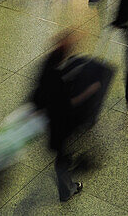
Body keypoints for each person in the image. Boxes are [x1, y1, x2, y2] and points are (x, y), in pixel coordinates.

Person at [31, 31, 97, 203]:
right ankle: (67, 190)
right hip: (58, 123)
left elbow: (39, 92)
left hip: (50, 119)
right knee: (62, 157)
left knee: (62, 154)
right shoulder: (56, 77)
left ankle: (67, 182)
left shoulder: (48, 65)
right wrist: (89, 92)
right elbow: (68, 103)